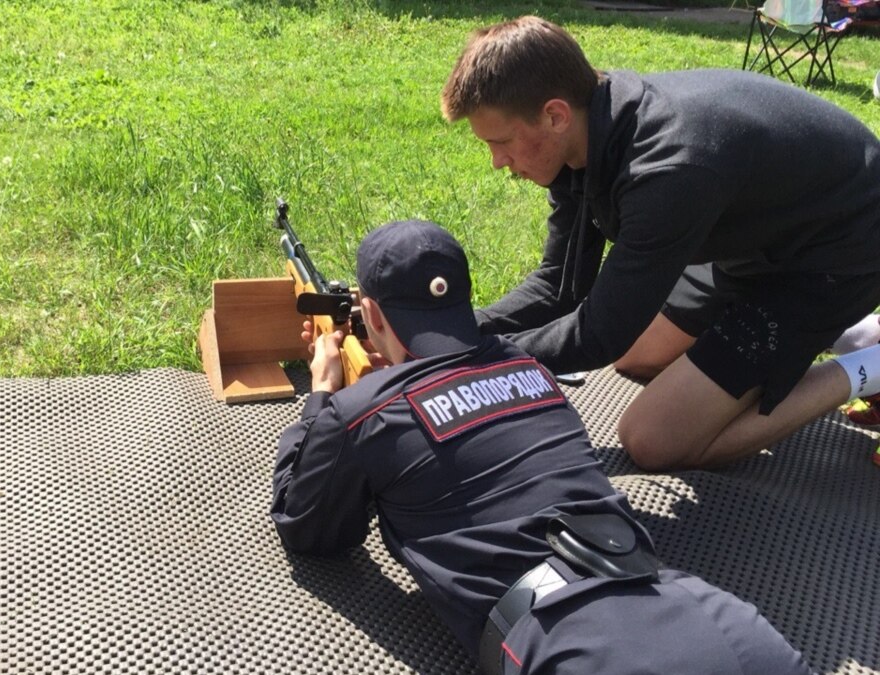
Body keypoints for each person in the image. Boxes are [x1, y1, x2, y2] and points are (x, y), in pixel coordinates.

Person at [270, 219, 810, 674]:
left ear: (373, 315)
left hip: (570, 644)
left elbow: (308, 526)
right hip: (708, 615)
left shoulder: (365, 412)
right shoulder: (530, 371)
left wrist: (324, 393)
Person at [439, 16, 880, 471]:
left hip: (839, 253)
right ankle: (850, 332)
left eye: (502, 142)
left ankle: (868, 367)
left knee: (654, 439)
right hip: (753, 234)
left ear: (554, 115)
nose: (497, 162)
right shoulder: (585, 132)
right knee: (638, 357)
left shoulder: (667, 168)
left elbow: (599, 335)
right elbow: (560, 287)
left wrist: (469, 362)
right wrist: (449, 333)